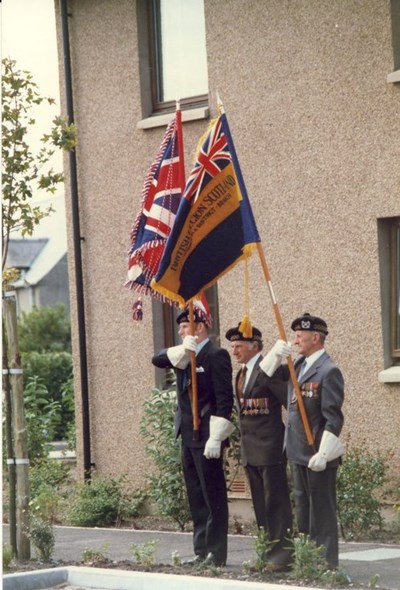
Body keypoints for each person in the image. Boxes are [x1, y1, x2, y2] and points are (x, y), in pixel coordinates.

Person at [260, 313, 344, 569]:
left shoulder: (329, 371)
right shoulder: (298, 366)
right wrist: (274, 354)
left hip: (317, 452)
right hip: (297, 449)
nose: (295, 341)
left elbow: (333, 416)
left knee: (322, 510)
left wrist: (325, 451)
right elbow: (265, 376)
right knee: (304, 510)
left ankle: (326, 563)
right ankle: (309, 559)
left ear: (315, 337)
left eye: (299, 336)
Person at [152, 306, 234, 567]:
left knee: (213, 496)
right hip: (187, 435)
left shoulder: (216, 355)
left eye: (185, 326)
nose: (179, 331)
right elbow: (157, 359)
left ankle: (216, 553)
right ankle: (200, 550)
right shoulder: (184, 356)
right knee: (196, 496)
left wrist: (217, 436)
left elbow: (224, 400)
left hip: (207, 436)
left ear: (200, 327)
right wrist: (181, 351)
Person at [225, 323, 293, 571]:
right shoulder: (241, 373)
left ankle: (282, 556)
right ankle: (267, 552)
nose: (234, 350)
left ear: (255, 346)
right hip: (250, 450)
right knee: (261, 505)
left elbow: (290, 403)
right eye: (232, 346)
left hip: (270, 447)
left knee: (276, 504)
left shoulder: (270, 371)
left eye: (239, 346)